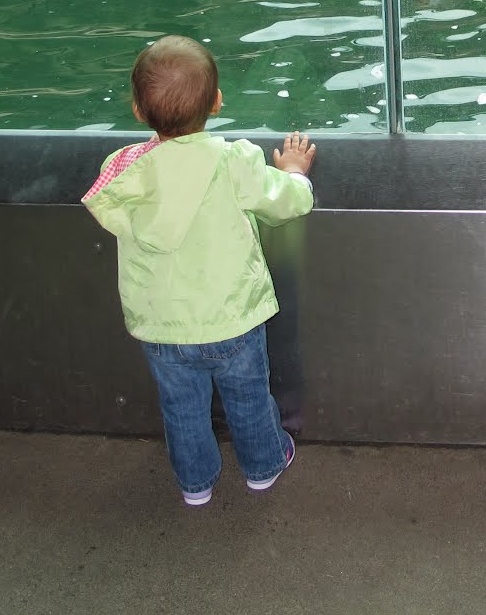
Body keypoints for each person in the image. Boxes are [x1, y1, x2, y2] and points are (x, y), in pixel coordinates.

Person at [82, 34, 316, 507]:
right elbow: (285, 202)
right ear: (216, 102)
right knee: (249, 399)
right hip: (233, 318)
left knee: (181, 408)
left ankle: (196, 485)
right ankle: (263, 468)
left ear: (137, 111)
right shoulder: (232, 161)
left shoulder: (125, 171)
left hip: (162, 325)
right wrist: (295, 173)